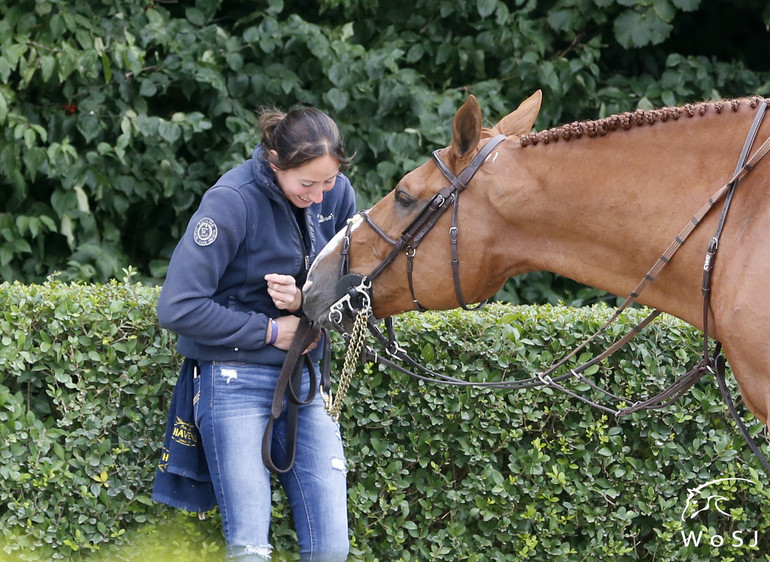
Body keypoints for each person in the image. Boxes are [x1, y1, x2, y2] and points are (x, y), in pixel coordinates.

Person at [156, 106, 356, 561]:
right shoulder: (231, 199)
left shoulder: (337, 195)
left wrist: (305, 301)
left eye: (328, 182)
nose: (321, 197)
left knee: (332, 548)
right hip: (233, 382)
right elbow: (177, 307)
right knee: (249, 549)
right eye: (307, 184)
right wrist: (268, 329)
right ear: (273, 160)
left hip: (304, 384)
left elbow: (356, 292)